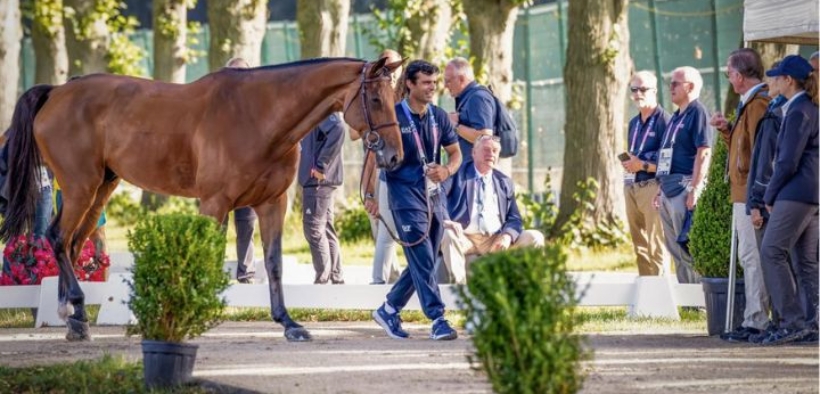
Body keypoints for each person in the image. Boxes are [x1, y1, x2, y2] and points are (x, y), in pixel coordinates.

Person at [365, 60, 462, 340]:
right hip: (403, 193)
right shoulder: (393, 116)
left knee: (427, 259)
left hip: (434, 194)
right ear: (409, 83)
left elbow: (456, 154)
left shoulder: (439, 116)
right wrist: (370, 194)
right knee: (420, 252)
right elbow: (373, 157)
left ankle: (389, 308)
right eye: (426, 83)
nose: (433, 88)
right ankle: (437, 318)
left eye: (434, 83)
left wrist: (446, 170)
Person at [709, 48, 772, 342]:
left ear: (739, 75)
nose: (729, 80)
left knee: (752, 257)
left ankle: (757, 319)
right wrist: (727, 131)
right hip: (744, 192)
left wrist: (757, 199)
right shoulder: (751, 104)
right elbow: (746, 150)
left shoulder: (758, 105)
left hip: (750, 194)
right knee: (749, 256)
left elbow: (762, 155)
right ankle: (755, 317)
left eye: (730, 74)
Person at [757, 55, 818, 345]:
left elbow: (786, 162)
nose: (773, 80)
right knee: (805, 261)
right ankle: (811, 323)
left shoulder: (798, 111)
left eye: (777, 77)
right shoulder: (809, 108)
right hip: (811, 193)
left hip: (795, 192)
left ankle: (792, 321)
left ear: (788, 81)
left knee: (771, 251)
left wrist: (769, 195)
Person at [440, 134, 544, 284]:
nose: (491, 154)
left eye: (495, 151)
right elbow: (438, 196)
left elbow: (514, 217)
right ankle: (460, 290)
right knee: (447, 234)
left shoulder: (504, 182)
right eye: (486, 150)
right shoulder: (457, 174)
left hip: (494, 241)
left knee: (535, 237)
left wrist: (507, 236)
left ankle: (528, 288)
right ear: (473, 153)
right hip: (465, 237)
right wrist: (447, 221)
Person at [655, 66, 713, 285]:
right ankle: (686, 298)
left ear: (690, 86)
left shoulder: (697, 112)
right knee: (673, 248)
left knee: (687, 244)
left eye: (675, 83)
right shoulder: (675, 117)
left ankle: (698, 298)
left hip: (684, 188)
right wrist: (660, 189)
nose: (670, 88)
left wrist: (695, 189)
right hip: (668, 188)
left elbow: (704, 152)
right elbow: (667, 154)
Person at [621, 71, 670, 276]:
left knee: (656, 244)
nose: (638, 94)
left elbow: (667, 161)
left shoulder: (664, 120)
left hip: (653, 186)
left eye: (643, 89)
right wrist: (630, 164)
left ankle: (662, 296)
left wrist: (641, 165)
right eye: (634, 89)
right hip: (631, 186)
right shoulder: (633, 123)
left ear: (654, 91)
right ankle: (646, 297)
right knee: (639, 244)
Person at [369, 49, 403, 285]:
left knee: (387, 227)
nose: (389, 74)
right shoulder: (375, 94)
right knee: (377, 223)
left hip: (398, 167)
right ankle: (393, 277)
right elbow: (354, 133)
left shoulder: (406, 96)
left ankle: (379, 282)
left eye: (393, 69)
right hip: (376, 163)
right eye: (385, 68)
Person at [298, 114, 346, 285]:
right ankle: (336, 276)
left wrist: (321, 165)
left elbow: (338, 129)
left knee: (313, 229)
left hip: (318, 181)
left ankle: (322, 281)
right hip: (320, 181)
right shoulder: (312, 105)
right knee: (325, 228)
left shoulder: (321, 106)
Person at [225, 57, 259, 283]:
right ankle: (209, 271)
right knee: (214, 225)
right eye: (231, 74)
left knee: (246, 226)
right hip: (219, 179)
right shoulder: (215, 106)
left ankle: (245, 273)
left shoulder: (257, 108)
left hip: (247, 179)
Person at [444, 57, 495, 172]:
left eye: (448, 81)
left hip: (476, 175)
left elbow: (485, 137)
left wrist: (455, 126)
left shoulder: (478, 98)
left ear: (461, 79)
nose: (445, 85)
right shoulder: (467, 98)